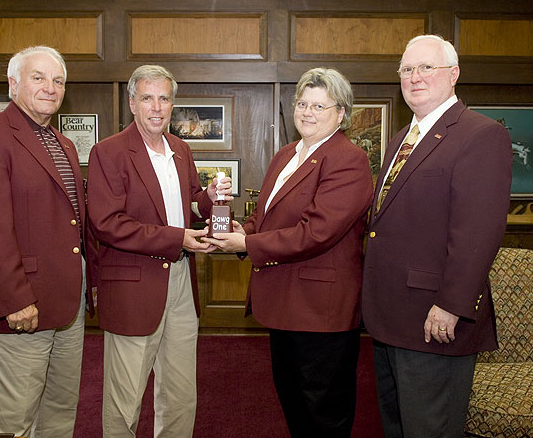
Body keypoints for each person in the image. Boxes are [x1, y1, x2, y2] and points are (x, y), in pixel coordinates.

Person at [205, 67, 373, 437]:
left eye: (319, 106)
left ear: (340, 113)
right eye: (302, 103)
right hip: (283, 304)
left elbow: (317, 232)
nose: (307, 112)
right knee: (294, 404)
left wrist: (247, 245)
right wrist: (242, 230)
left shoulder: (348, 159)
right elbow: (266, 215)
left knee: (323, 414)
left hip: (320, 311)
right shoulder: (286, 155)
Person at [361, 35, 513, 438]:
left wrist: (451, 305)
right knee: (397, 427)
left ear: (453, 74)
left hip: (436, 320)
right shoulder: (400, 140)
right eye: (407, 69)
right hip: (390, 317)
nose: (415, 77)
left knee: (431, 429)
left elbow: (478, 233)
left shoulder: (480, 135)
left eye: (427, 67)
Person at [0, 46, 95, 437]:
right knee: (14, 421)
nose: (51, 87)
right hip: (21, 306)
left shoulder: (63, 144)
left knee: (59, 411)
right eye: (39, 77)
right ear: (13, 83)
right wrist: (14, 299)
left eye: (58, 80)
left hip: (67, 306)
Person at [86, 64, 232, 438]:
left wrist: (209, 200)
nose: (156, 106)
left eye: (164, 98)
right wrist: (176, 238)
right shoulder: (109, 152)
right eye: (147, 97)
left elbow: (191, 201)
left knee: (181, 393)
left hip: (182, 281)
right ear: (132, 102)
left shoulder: (180, 149)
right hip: (134, 285)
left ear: (172, 104)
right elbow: (107, 223)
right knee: (125, 400)